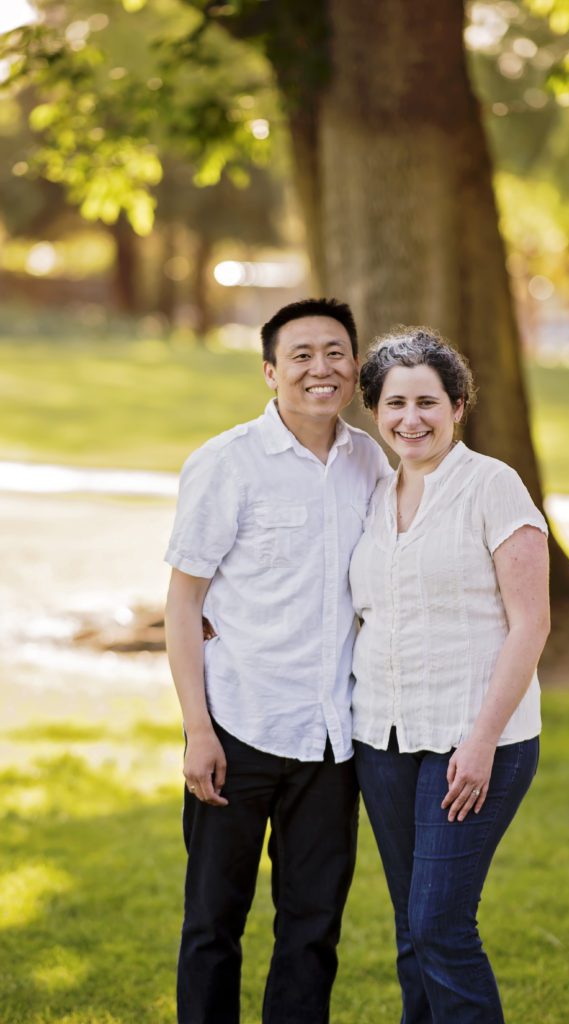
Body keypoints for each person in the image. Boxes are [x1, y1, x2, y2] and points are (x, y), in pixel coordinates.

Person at [164, 298, 389, 1024]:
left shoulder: (370, 461)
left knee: (312, 931)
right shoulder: (226, 463)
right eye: (301, 355)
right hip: (239, 726)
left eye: (334, 352)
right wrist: (198, 731)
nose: (319, 368)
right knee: (212, 927)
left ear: (354, 367)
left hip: (331, 740)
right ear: (270, 372)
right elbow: (182, 602)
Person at [349, 327, 550, 1024]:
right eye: (395, 402)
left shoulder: (492, 486)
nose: (411, 418)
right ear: (373, 411)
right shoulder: (371, 494)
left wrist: (481, 740)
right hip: (382, 736)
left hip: (473, 740)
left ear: (457, 406)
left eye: (428, 402)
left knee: (440, 924)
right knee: (412, 929)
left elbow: (531, 624)